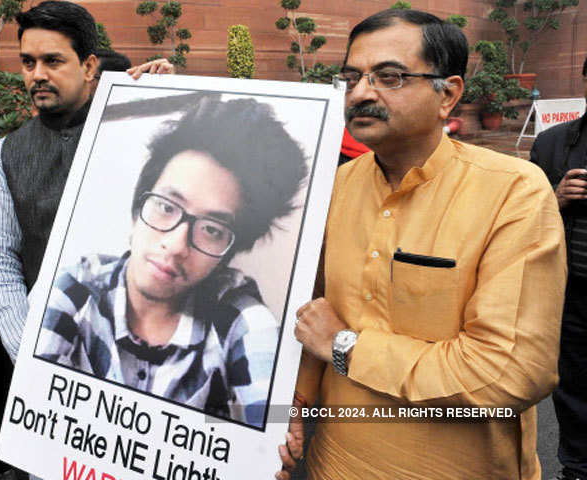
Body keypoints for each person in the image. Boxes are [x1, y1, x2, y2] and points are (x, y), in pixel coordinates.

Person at [278, 8, 566, 480]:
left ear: (447, 94)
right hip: (331, 463)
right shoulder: (333, 187)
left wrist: (347, 346)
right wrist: (297, 404)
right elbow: (311, 315)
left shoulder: (512, 191)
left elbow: (509, 372)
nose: (363, 92)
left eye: (389, 76)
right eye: (353, 77)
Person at [35, 96, 308, 428]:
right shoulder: (76, 289)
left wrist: (279, 438)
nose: (177, 245)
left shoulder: (241, 324)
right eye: (166, 207)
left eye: (211, 229)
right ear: (139, 207)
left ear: (230, 250)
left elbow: (267, 423)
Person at [0, 0, 175, 364]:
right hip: (35, 361)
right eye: (27, 62)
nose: (37, 74)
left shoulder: (134, 131)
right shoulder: (3, 157)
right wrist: (31, 355)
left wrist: (167, 101)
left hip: (141, 359)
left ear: (88, 66)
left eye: (52, 61)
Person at [529, 57, 587, 480]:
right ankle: (576, 467)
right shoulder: (551, 144)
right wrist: (556, 195)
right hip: (572, 295)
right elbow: (523, 219)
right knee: (572, 388)